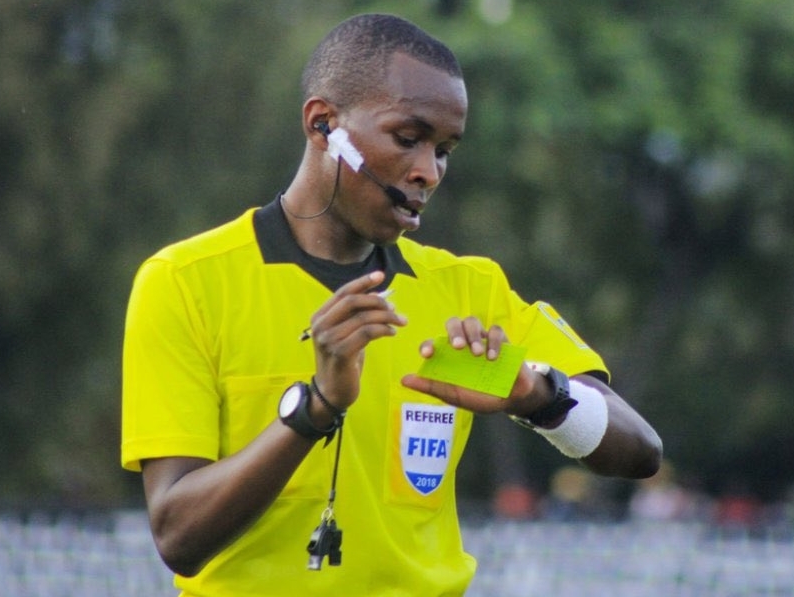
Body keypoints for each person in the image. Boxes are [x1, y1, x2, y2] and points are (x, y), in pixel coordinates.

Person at [121, 13, 662, 596]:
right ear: (323, 124)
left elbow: (640, 451)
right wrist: (315, 409)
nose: (427, 172)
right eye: (408, 138)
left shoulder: (467, 290)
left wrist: (539, 396)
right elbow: (178, 536)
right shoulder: (185, 281)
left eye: (445, 150)